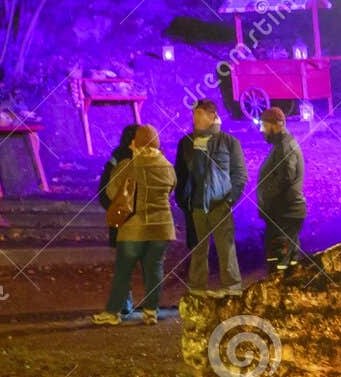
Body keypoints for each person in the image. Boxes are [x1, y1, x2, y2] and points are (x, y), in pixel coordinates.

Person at [93, 124, 175, 325]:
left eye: (134, 140)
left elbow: (112, 193)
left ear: (137, 143)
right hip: (162, 227)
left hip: (134, 228)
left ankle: (113, 313)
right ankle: (151, 311)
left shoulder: (128, 164)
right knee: (154, 268)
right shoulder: (167, 166)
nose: (130, 142)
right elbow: (171, 189)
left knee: (123, 271)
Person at [173, 99, 247, 297]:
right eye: (194, 114)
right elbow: (179, 174)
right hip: (196, 205)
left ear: (212, 116)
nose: (194, 118)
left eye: (199, 114)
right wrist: (184, 201)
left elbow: (240, 174)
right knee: (198, 248)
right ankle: (197, 289)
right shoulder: (186, 143)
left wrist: (230, 199)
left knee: (226, 247)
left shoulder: (229, 142)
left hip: (220, 204)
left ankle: (231, 288)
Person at [256, 107, 306, 274]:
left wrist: (267, 196)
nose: (262, 131)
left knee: (279, 262)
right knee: (288, 260)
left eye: (264, 126)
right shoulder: (281, 145)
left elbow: (286, 177)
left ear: (276, 125)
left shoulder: (285, 147)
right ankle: (287, 292)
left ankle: (278, 294)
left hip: (285, 214)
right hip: (283, 213)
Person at [97, 123, 139, 317]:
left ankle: (125, 302)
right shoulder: (147, 158)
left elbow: (103, 189)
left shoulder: (115, 159)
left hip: (121, 219)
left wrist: (113, 209)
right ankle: (151, 306)